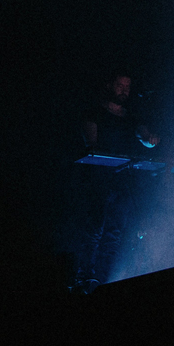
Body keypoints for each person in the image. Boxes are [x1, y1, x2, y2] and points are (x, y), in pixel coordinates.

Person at [69, 72, 159, 292]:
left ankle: (101, 279)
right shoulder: (94, 111)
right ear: (109, 85)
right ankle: (83, 279)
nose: (124, 91)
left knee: (114, 233)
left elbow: (143, 136)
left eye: (127, 87)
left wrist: (150, 140)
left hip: (122, 182)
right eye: (120, 85)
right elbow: (91, 142)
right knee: (94, 231)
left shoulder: (131, 116)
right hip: (97, 181)